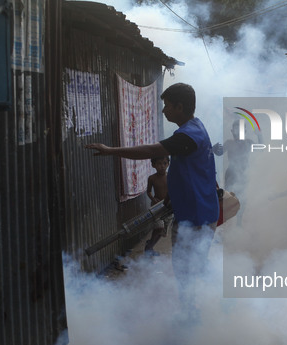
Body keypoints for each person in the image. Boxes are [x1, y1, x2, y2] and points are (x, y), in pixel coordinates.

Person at [86, 83, 219, 317]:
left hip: (196, 214)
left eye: (166, 106)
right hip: (197, 209)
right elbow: (189, 171)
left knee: (187, 268)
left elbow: (151, 151)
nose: (163, 111)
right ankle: (197, 310)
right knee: (190, 265)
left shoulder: (188, 135)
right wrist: (173, 196)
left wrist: (111, 150)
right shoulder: (195, 128)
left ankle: (193, 315)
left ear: (179, 107)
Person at [213, 119, 262, 225]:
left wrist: (259, 135)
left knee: (242, 197)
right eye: (235, 129)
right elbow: (219, 153)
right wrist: (213, 149)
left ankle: (239, 221)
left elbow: (261, 148)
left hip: (243, 174)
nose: (238, 132)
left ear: (244, 131)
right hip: (231, 173)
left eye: (240, 129)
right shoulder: (229, 143)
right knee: (228, 197)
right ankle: (226, 220)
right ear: (232, 131)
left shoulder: (248, 142)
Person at [144, 156, 171, 257]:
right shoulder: (152, 178)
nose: (162, 166)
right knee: (159, 227)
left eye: (165, 163)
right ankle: (149, 247)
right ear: (153, 165)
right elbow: (149, 191)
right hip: (157, 207)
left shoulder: (170, 177)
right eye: (159, 164)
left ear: (168, 164)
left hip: (168, 208)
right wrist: (152, 198)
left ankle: (150, 246)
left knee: (162, 232)